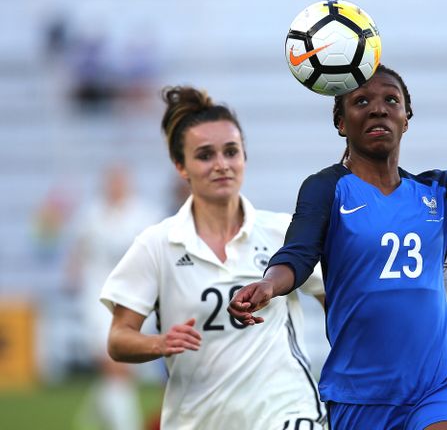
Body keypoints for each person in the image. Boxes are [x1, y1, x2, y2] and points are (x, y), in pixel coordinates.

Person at [229, 48, 447, 429]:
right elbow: (299, 254)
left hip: (438, 384)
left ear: (406, 118)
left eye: (391, 100)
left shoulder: (439, 193)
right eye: (361, 101)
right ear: (340, 122)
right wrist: (271, 284)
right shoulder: (327, 188)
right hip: (360, 395)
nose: (378, 108)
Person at [99, 86, 327, 429]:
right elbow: (118, 339)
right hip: (199, 419)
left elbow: (337, 300)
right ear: (181, 166)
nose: (221, 164)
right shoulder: (157, 244)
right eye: (205, 155)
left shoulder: (283, 231)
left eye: (231, 152)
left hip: (286, 410)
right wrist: (159, 342)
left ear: (244, 157)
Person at [65, 163, 160, 430]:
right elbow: (79, 248)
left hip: (135, 296)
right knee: (112, 362)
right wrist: (72, 273)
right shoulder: (92, 214)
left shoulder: (145, 213)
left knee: (122, 366)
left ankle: (99, 411)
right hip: (97, 295)